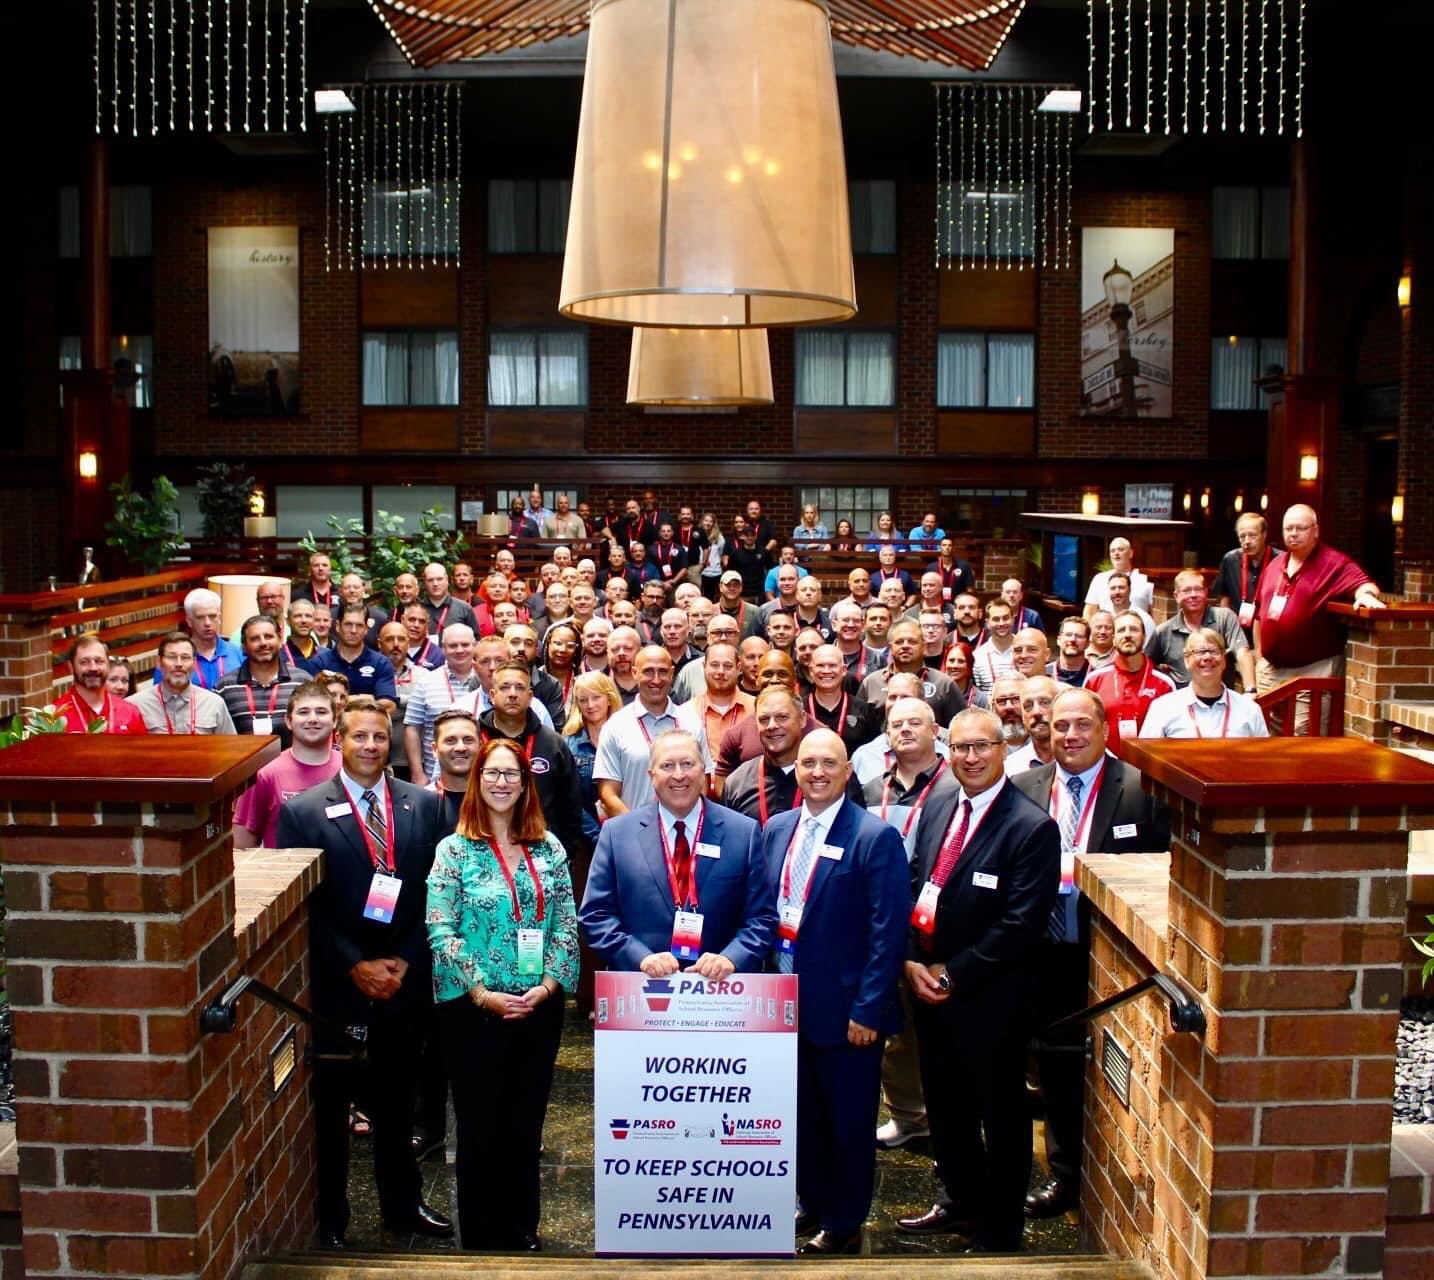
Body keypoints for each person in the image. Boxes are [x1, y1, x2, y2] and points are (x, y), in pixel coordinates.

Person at [275, 697, 452, 1249]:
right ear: (339, 742)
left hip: (405, 976)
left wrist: (407, 958)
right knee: (330, 1109)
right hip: (339, 982)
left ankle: (403, 1204)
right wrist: (354, 963)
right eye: (359, 738)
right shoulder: (303, 811)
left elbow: (436, 892)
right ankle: (331, 1218)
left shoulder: (425, 805)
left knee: (400, 1100)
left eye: (380, 737)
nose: (371, 747)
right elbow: (307, 906)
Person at [898, 708, 1059, 1253]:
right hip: (929, 990)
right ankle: (961, 1199)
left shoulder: (1032, 827)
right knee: (946, 1109)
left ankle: (999, 1229)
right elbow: (917, 880)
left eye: (981, 748)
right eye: (961, 748)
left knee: (1001, 1114)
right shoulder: (941, 802)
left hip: (991, 1000)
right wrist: (912, 961)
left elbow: (1021, 923)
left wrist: (954, 972)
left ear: (1002, 749)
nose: (970, 758)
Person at [1012, 687, 1170, 1220]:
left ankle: (1117, 1167)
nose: (1070, 736)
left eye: (1082, 725)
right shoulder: (1022, 788)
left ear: (1105, 729)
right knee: (1053, 1068)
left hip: (1108, 952)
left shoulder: (1141, 789)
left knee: (1108, 1065)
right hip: (1039, 948)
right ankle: (1065, 1176)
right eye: (1060, 727)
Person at [426, 738, 579, 1251]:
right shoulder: (454, 850)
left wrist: (548, 986)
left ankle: (523, 1229)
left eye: (511, 774)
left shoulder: (550, 847)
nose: (501, 782)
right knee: (479, 1126)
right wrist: (481, 992)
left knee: (524, 1122)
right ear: (477, 780)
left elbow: (564, 925)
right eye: (492, 773)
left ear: (525, 783)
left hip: (538, 1007)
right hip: (475, 1013)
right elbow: (440, 929)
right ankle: (484, 1236)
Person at [764, 729, 910, 1256]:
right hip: (783, 1004)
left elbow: (887, 932)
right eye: (808, 764)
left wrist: (869, 1007)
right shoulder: (778, 829)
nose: (818, 773)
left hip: (848, 1013)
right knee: (802, 1115)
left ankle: (845, 1219)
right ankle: (813, 1201)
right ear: (795, 771)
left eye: (829, 763)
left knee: (847, 1122)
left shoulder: (874, 837)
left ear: (848, 771)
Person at [580, 729, 774, 976]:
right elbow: (595, 916)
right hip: (643, 992)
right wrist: (639, 957)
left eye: (688, 764)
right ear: (651, 775)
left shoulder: (743, 833)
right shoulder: (617, 835)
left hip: (721, 995)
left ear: (704, 771)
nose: (679, 775)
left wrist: (731, 958)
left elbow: (762, 918)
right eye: (667, 766)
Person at [861, 697, 955, 1151]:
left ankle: (947, 1117)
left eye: (914, 722)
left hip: (935, 922)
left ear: (935, 729)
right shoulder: (869, 786)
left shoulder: (955, 785)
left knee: (933, 1029)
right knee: (892, 1028)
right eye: (896, 724)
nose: (904, 731)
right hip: (879, 918)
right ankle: (906, 1116)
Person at [1254, 503, 1383, 733]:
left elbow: (1365, 584)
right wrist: (1259, 658)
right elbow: (1258, 613)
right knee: (1267, 738)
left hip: (1311, 671)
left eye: (1300, 528)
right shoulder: (1275, 564)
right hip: (1270, 671)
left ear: (1315, 530)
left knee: (1304, 736)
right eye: (1288, 528)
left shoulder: (1333, 563)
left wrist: (1365, 596)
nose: (1293, 533)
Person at [477, 660, 588, 863]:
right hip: (479, 850)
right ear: (492, 695)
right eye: (505, 687)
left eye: (520, 687)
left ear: (530, 696)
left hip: (540, 855)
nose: (512, 693)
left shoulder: (553, 744)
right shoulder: (472, 739)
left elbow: (570, 807)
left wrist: (565, 856)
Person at [593, 646, 711, 815]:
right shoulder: (615, 726)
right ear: (635, 673)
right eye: (648, 672)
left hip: (683, 833)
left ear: (672, 674)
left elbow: (702, 784)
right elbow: (608, 793)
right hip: (634, 835)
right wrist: (637, 829)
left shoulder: (691, 722)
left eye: (662, 672)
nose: (656, 680)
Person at [723, 687, 862, 825]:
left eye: (782, 717)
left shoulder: (832, 777)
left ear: (802, 719)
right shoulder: (737, 783)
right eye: (764, 719)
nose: (772, 726)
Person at [233, 679, 341, 848]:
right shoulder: (265, 773)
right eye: (303, 712)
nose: (312, 719)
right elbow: (242, 846)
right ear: (289, 721)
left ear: (335, 720)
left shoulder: (348, 770)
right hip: (284, 872)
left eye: (321, 712)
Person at [1140, 629, 1271, 738]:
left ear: (1224, 660)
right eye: (1200, 652)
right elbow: (1146, 762)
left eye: (1214, 651)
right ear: (1186, 660)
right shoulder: (1163, 708)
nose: (1208, 658)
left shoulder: (1249, 710)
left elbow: (1263, 761)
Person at [1146, 570, 1253, 689]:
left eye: (1198, 589)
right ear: (1176, 596)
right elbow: (1145, 665)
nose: (1193, 595)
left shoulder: (1225, 618)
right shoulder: (1163, 632)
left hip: (1222, 699)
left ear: (1206, 592)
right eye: (1187, 590)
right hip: (1181, 702)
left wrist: (1250, 689)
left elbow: (1242, 653)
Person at [403, 625, 484, 783]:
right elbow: (412, 728)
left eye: (465, 645)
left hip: (480, 776)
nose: (459, 650)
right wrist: (418, 773)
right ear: (443, 649)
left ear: (475, 646)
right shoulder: (426, 682)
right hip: (436, 777)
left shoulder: (486, 681)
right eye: (453, 645)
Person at [1084, 611, 1175, 743]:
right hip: (1108, 761)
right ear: (1114, 639)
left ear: (1144, 637)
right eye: (1121, 630)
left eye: (1134, 629)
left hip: (1148, 761)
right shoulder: (1094, 680)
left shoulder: (1165, 684)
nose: (1127, 635)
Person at [858, 620, 965, 727]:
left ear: (923, 646)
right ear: (890, 647)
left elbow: (959, 727)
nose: (905, 646)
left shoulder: (944, 684)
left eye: (912, 641)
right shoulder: (871, 683)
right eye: (899, 642)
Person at [127, 632, 236, 735]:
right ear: (159, 663)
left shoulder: (214, 704)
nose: (179, 664)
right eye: (172, 657)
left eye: (185, 657)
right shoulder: (135, 706)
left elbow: (231, 749)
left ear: (194, 663)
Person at [217, 616, 305, 743]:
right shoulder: (224, 687)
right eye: (254, 639)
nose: (263, 643)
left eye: (268, 636)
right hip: (243, 761)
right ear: (244, 647)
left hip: (291, 761)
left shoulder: (302, 682)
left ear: (280, 640)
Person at [564, 671, 621, 845]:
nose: (590, 705)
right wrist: (597, 836)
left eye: (596, 697)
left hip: (625, 832)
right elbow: (569, 798)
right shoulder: (569, 743)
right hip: (584, 839)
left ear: (609, 698)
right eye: (583, 700)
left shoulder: (627, 736)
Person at [675, 642, 753, 768]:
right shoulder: (685, 712)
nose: (721, 671)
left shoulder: (757, 709)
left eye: (727, 666)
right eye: (714, 665)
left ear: (739, 669)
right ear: (704, 666)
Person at [55, 634, 148, 734]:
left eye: (99, 661)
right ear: (71, 667)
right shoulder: (55, 716)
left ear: (108, 665)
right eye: (84, 662)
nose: (93, 668)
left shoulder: (130, 713)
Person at [316, 605, 398, 710]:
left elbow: (389, 705)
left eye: (359, 625)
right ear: (337, 626)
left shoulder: (381, 663)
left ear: (366, 629)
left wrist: (340, 701)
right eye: (348, 624)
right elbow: (313, 703)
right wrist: (368, 698)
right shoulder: (319, 663)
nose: (353, 630)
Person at [805, 643, 879, 754]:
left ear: (844, 669)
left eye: (832, 665)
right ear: (811, 670)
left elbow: (873, 753)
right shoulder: (799, 709)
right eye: (820, 665)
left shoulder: (864, 710)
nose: (826, 671)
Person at [1214, 511, 1273, 640]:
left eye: (1252, 535)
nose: (1247, 541)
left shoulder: (1280, 559)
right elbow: (1225, 599)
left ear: (1264, 534)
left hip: (1269, 631)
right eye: (1242, 536)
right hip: (1239, 632)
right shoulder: (1230, 559)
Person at [178, 588, 244, 690]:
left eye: (212, 616)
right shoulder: (176, 657)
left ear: (219, 618)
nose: (207, 623)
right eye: (200, 617)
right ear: (189, 621)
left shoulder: (236, 652)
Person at [1083, 537, 1153, 619]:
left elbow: (1155, 611)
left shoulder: (1145, 579)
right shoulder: (1099, 579)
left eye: (1120, 549)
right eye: (1113, 551)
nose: (1116, 553)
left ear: (1130, 553)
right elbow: (1089, 612)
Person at [1002, 675, 1060, 773]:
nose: (1036, 712)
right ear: (1023, 716)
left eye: (1045, 703)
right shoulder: (1009, 769)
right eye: (1028, 706)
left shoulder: (1080, 761)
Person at [420, 563, 479, 638]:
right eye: (430, 580)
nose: (435, 583)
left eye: (439, 579)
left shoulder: (464, 608)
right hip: (425, 650)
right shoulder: (417, 609)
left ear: (447, 580)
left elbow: (475, 640)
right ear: (425, 582)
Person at [971, 600, 1017, 693]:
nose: (1001, 623)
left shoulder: (1024, 651)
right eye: (996, 619)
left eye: (1005, 618)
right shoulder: (978, 656)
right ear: (988, 623)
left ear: (1013, 619)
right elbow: (978, 694)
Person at [1104, 572, 1156, 642]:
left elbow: (1149, 649)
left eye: (1121, 588)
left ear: (1129, 590)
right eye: (1113, 588)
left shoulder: (1144, 619)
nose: (1117, 592)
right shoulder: (1104, 617)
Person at [282, 599, 326, 674]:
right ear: (288, 621)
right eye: (298, 616)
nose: (304, 620)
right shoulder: (279, 655)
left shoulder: (326, 655)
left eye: (308, 616)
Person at [943, 641, 988, 710]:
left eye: (961, 661)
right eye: (951, 660)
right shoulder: (937, 694)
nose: (955, 665)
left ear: (969, 665)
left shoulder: (980, 699)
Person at [1053, 617, 1091, 687]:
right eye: (1068, 635)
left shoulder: (1095, 675)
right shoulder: (1044, 672)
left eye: (1079, 636)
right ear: (1058, 640)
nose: (1073, 639)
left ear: (1088, 643)